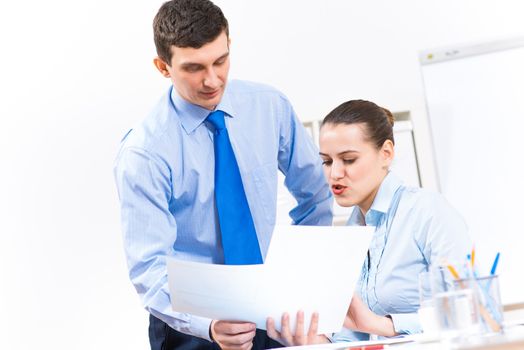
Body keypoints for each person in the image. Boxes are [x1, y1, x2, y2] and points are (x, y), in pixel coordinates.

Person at [113, 0, 332, 349]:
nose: (212, 80)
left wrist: (298, 276)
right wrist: (209, 323)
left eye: (220, 61)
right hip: (190, 323)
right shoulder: (145, 152)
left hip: (272, 308)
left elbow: (316, 195)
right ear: (163, 67)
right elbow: (149, 267)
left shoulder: (269, 106)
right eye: (194, 67)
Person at [267, 99, 471, 345]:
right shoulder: (348, 236)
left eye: (349, 159)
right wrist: (310, 341)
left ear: (386, 153)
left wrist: (383, 325)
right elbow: (352, 338)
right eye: (327, 161)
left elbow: (467, 311)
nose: (335, 174)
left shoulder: (428, 212)